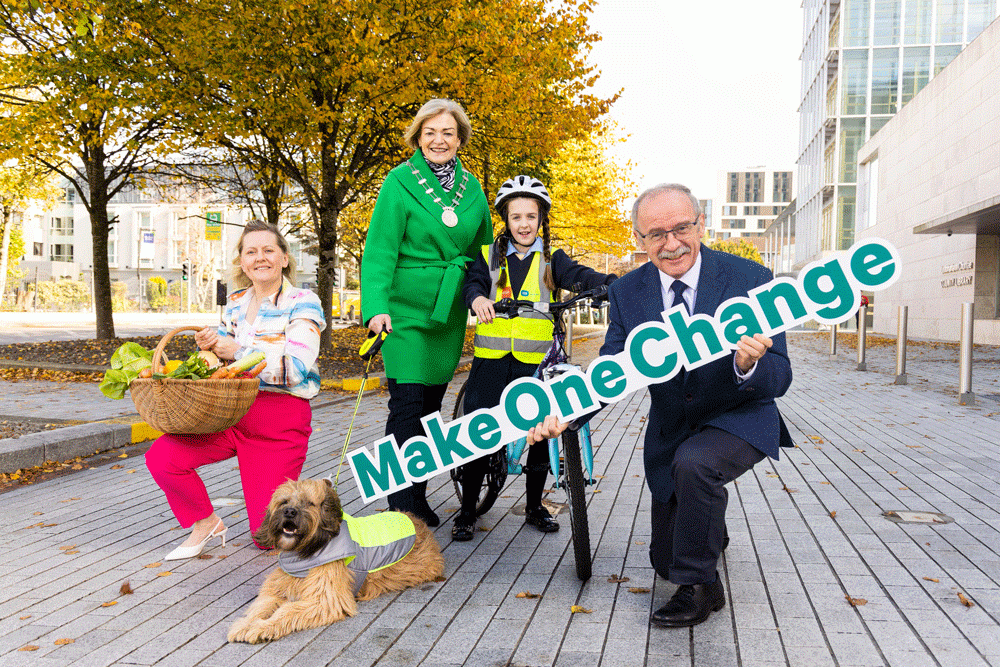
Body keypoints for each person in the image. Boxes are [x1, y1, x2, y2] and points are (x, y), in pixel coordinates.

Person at [529, 184, 792, 628]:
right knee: (664, 557)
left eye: (681, 228)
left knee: (695, 466)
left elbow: (781, 376)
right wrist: (565, 414)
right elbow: (610, 374)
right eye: (656, 234)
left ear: (700, 225)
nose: (671, 243)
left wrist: (748, 363)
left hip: (741, 416)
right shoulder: (629, 293)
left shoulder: (751, 279)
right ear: (639, 240)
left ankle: (698, 588)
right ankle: (706, 529)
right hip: (675, 428)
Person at [145, 220, 325, 560]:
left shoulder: (304, 301)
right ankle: (206, 522)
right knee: (163, 457)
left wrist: (235, 352)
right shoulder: (237, 302)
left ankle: (316, 511)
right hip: (230, 415)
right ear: (242, 261)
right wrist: (209, 349)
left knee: (266, 537)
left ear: (285, 258)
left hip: (279, 424)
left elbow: (295, 369)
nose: (260, 258)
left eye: (269, 250)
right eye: (251, 251)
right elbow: (221, 364)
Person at [450, 175, 616, 541]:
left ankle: (533, 506)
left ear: (541, 219)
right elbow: (473, 284)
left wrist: (607, 284)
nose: (524, 224)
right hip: (491, 362)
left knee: (540, 435)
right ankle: (466, 510)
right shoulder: (488, 256)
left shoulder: (552, 259)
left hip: (534, 364)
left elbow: (579, 276)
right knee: (479, 435)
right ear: (505, 221)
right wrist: (477, 299)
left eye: (531, 216)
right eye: (516, 217)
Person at [361, 99, 493, 527]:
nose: (439, 140)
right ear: (418, 136)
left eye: (447, 133)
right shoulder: (398, 182)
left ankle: (416, 490)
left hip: (447, 313)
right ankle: (402, 505)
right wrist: (375, 309)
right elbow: (379, 252)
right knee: (407, 405)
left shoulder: (473, 190)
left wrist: (487, 294)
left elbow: (483, 254)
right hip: (402, 312)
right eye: (430, 132)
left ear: (459, 140)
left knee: (431, 409)